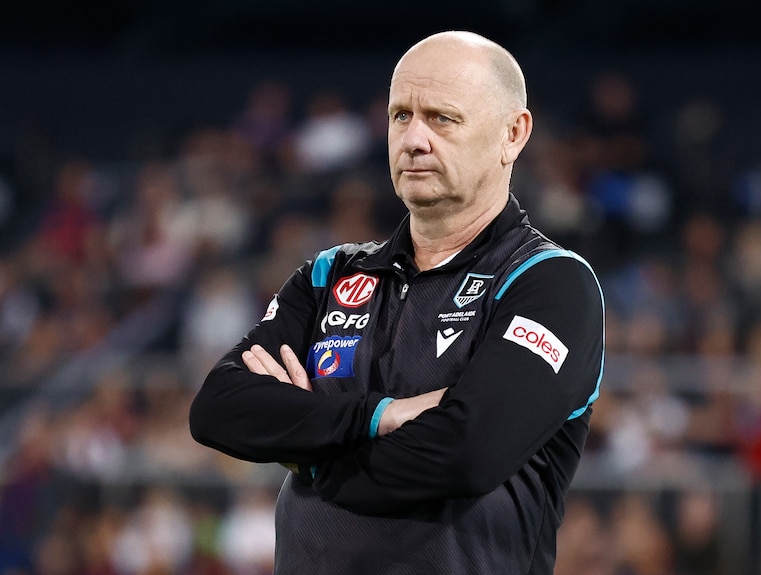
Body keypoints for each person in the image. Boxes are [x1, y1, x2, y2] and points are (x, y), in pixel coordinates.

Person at [189, 30, 605, 574]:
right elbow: (217, 409)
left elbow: (466, 453)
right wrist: (376, 415)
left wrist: (307, 449)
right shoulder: (328, 275)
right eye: (400, 116)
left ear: (513, 133)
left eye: (442, 118)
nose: (413, 139)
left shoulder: (550, 284)